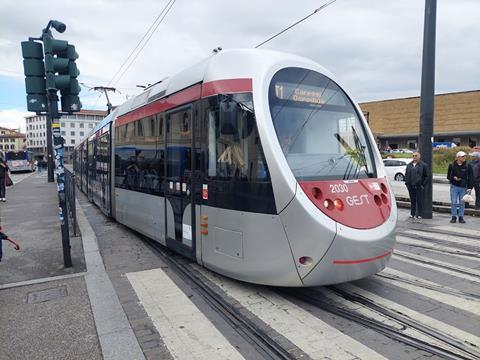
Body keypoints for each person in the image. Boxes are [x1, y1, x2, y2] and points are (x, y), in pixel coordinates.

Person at [447, 151, 474, 223]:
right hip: (454, 186)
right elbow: (448, 176)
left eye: (464, 156)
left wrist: (470, 187)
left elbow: (471, 177)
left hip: (463, 187)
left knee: (462, 202)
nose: (464, 158)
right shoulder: (451, 165)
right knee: (453, 202)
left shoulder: (468, 166)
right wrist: (453, 178)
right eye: (462, 156)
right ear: (458, 157)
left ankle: (461, 217)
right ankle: (453, 217)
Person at [404, 151, 429, 221]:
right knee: (413, 200)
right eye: (413, 156)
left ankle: (419, 215)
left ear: (419, 157)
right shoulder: (409, 165)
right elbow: (406, 174)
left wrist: (422, 184)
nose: (414, 157)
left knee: (419, 201)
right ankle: (412, 214)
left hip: (419, 186)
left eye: (416, 156)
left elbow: (427, 176)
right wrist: (407, 183)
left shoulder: (423, 165)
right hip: (411, 186)